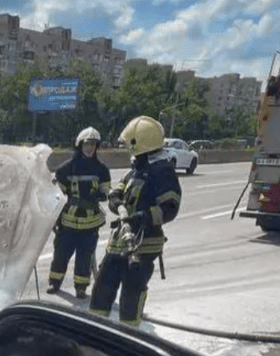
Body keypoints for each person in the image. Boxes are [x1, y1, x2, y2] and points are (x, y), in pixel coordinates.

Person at [89, 116, 181, 326]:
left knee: (131, 296)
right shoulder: (137, 169)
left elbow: (170, 208)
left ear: (137, 144)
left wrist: (143, 217)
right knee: (102, 289)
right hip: (120, 242)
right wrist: (115, 199)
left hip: (143, 246)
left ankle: (128, 337)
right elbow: (120, 190)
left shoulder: (162, 173)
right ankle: (94, 329)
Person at [47, 126, 112, 299]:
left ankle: (81, 288)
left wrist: (100, 195)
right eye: (87, 144)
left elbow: (106, 192)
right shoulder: (66, 168)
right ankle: (54, 282)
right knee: (61, 255)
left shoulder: (102, 170)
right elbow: (56, 195)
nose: (90, 148)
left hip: (90, 223)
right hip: (68, 221)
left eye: (93, 144)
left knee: (84, 258)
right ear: (80, 145)